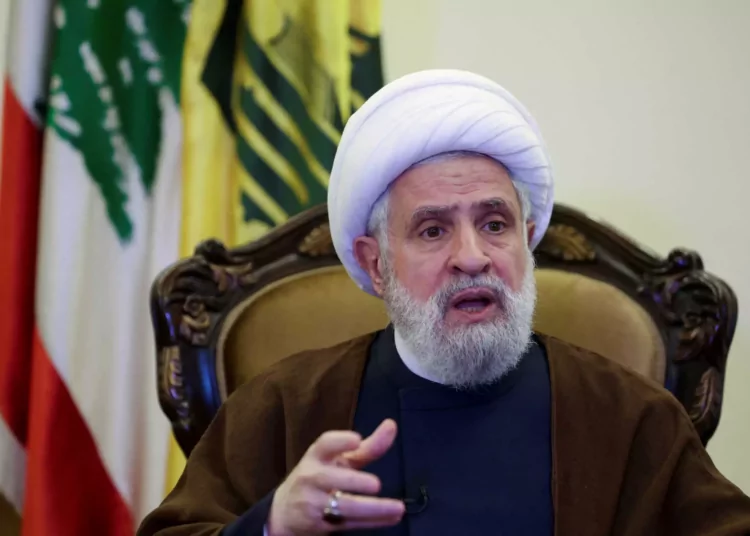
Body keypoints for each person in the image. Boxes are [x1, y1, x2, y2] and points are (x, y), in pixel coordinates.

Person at [138, 69, 750, 536]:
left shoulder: (630, 416)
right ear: (377, 265)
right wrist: (271, 527)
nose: (472, 256)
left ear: (527, 239)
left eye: (494, 224)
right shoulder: (284, 407)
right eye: (433, 230)